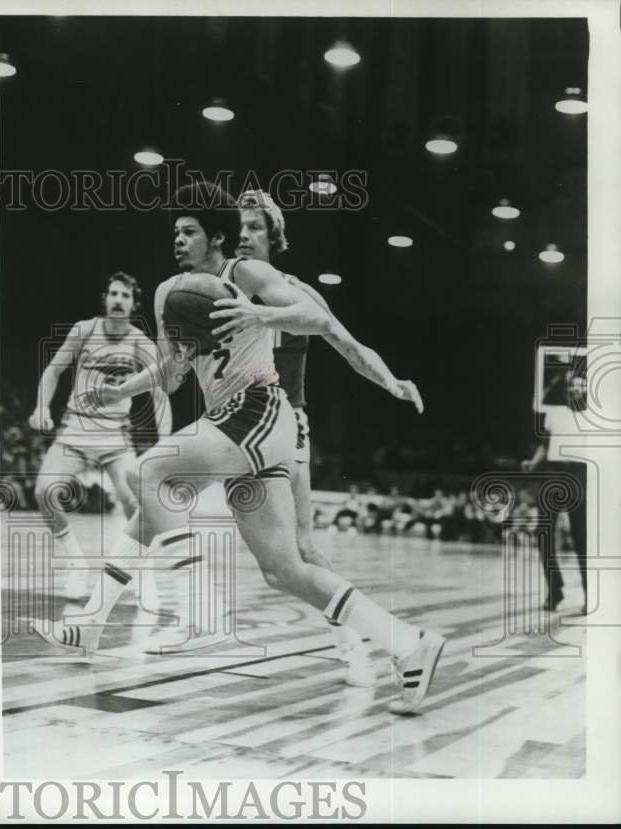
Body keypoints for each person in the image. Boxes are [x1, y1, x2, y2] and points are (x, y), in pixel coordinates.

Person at [37, 181, 444, 714]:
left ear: (218, 237)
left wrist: (264, 317)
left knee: (150, 471)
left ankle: (199, 604)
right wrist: (126, 387)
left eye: (189, 231)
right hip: (235, 425)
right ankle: (409, 645)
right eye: (175, 232)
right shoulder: (173, 292)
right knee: (284, 570)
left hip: (262, 412)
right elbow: (175, 372)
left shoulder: (246, 275)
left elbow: (322, 323)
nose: (178, 240)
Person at [235, 189, 424, 685]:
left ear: (273, 236)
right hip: (234, 423)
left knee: (301, 551)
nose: (244, 235)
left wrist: (390, 381)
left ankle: (359, 646)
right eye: (238, 226)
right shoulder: (218, 284)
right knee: (278, 567)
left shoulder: (299, 293)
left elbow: (348, 344)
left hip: (284, 422)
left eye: (254, 227)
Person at [28, 273, 172, 601]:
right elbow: (53, 371)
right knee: (44, 492)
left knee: (138, 505)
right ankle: (76, 565)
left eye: (125, 295)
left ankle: (136, 569)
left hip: (115, 437)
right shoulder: (84, 329)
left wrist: (164, 441)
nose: (118, 300)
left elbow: (161, 395)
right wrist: (41, 406)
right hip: (75, 428)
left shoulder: (141, 344)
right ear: (105, 298)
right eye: (113, 293)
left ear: (134, 304)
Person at [522, 357, 588, 613]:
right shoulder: (554, 409)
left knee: (581, 536)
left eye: (580, 381)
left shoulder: (597, 410)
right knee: (543, 531)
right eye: (571, 379)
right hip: (553, 470)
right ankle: (555, 590)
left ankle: (590, 594)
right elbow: (544, 441)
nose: (575, 384)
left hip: (581, 471)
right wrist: (533, 461)